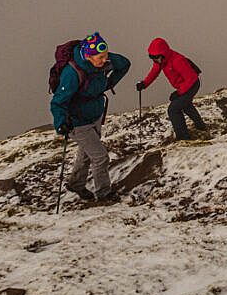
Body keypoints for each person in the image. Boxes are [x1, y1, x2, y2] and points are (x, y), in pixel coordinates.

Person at [50, 32, 130, 202]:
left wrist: (109, 82)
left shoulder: (101, 63)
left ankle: (76, 184)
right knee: (100, 157)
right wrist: (61, 123)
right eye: (100, 57)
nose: (104, 60)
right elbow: (58, 102)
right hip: (77, 122)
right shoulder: (72, 73)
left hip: (95, 115)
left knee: (86, 154)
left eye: (106, 55)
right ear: (88, 56)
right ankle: (104, 193)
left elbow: (124, 64)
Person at [135, 38, 207, 141]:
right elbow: (154, 72)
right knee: (186, 106)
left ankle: (183, 138)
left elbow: (191, 78)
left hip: (192, 84)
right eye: (152, 57)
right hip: (183, 86)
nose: (155, 60)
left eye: (156, 57)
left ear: (163, 54)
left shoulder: (177, 60)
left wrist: (179, 93)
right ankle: (201, 127)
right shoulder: (161, 61)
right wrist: (144, 84)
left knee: (173, 109)